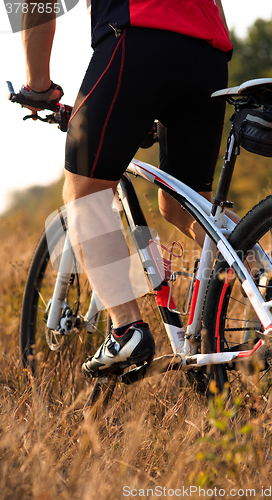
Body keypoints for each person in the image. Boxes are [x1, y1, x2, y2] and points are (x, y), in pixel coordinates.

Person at [20, 0, 233, 378]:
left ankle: (125, 329)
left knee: (85, 192)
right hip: (209, 52)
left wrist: (39, 88)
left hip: (136, 36)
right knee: (184, 203)